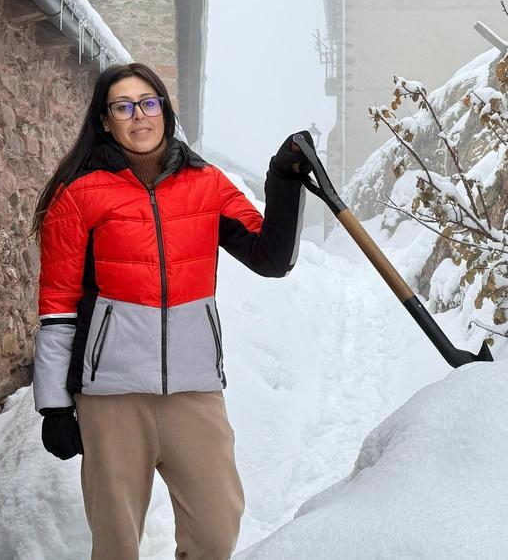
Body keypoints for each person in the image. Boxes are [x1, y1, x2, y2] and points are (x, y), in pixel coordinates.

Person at [29, 62, 312, 559]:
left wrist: (282, 180)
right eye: (123, 106)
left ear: (165, 109)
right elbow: (57, 306)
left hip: (193, 389)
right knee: (116, 544)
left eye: (149, 102)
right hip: (111, 397)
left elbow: (270, 258)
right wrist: (54, 405)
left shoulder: (206, 184)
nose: (139, 115)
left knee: (216, 528)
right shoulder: (78, 197)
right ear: (105, 120)